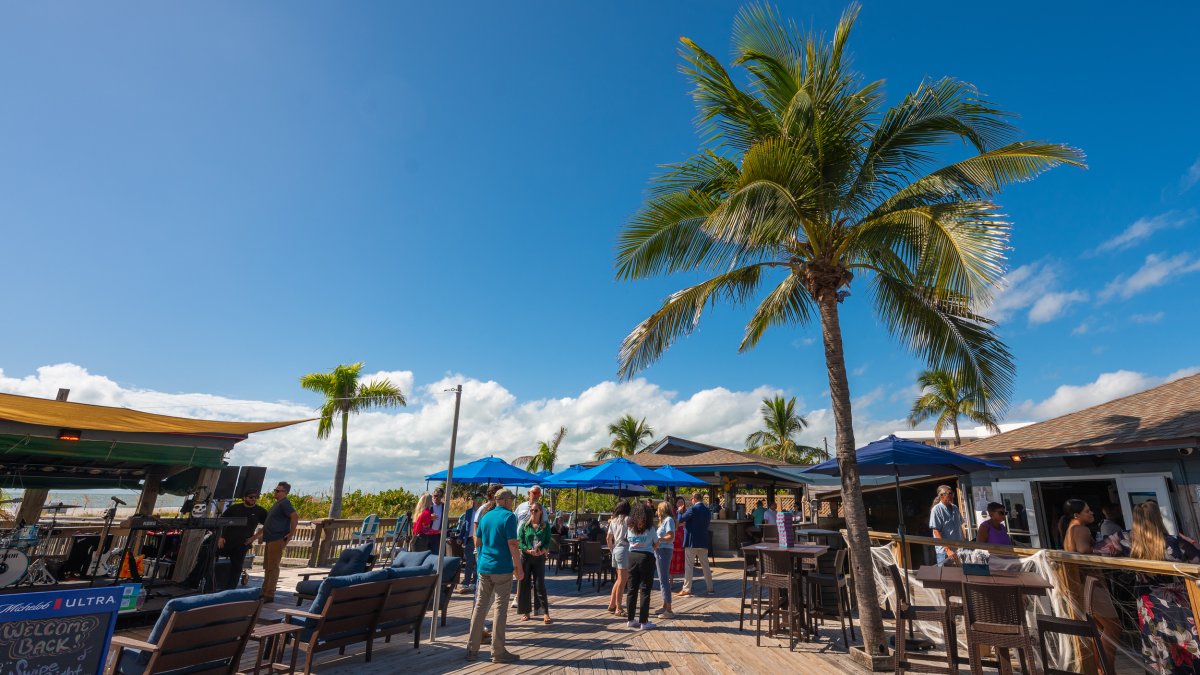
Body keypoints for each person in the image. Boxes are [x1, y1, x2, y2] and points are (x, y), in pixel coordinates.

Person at [1130, 500, 1200, 675]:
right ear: (1158, 518)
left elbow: (1095, 549)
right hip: (1174, 602)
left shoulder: (1128, 543)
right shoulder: (1174, 543)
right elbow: (1197, 559)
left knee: (1159, 645)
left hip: (1148, 605)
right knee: (1184, 643)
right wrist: (1192, 541)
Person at [466, 488, 524, 664]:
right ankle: (498, 651)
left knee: (480, 607)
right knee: (500, 609)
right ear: (505, 501)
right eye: (511, 500)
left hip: (484, 567)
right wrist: (518, 567)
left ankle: (472, 649)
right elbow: (512, 544)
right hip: (502, 568)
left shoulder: (485, 516)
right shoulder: (509, 517)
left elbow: (478, 542)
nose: (512, 503)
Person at [218, 491, 269, 590]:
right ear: (244, 498)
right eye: (251, 497)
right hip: (227, 541)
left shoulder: (260, 511)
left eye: (255, 497)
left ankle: (230, 589)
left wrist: (255, 537)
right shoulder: (234, 508)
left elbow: (268, 524)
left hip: (243, 543)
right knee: (207, 556)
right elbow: (221, 522)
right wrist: (220, 537)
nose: (253, 499)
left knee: (237, 566)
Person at [256, 481, 297, 603]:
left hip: (277, 538)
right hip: (270, 538)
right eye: (276, 490)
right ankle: (264, 591)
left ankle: (269, 593)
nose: (276, 492)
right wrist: (262, 535)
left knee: (273, 567)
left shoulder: (285, 503)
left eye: (279, 491)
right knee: (267, 566)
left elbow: (295, 516)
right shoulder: (278, 504)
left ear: (285, 492)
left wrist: (291, 533)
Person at [517, 501, 552, 624]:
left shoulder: (545, 526)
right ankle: (526, 612)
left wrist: (542, 551)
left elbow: (548, 541)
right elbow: (520, 541)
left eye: (536, 510)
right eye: (531, 510)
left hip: (539, 557)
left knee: (539, 584)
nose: (533, 512)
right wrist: (527, 550)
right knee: (524, 584)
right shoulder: (525, 526)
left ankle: (545, 612)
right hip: (526, 557)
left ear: (540, 512)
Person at [626, 502, 658, 629]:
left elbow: (627, 540)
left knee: (631, 589)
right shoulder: (650, 529)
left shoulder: (630, 528)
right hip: (646, 557)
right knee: (645, 589)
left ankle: (630, 619)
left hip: (632, 557)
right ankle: (644, 621)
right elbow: (656, 544)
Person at [678, 492, 713, 596]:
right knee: (706, 566)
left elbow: (680, 519)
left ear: (694, 499)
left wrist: (679, 511)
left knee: (689, 566)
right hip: (703, 541)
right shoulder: (707, 511)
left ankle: (686, 589)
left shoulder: (692, 509)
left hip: (691, 541)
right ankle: (710, 588)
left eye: (692, 499)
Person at [606, 500, 632, 614]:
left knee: (619, 578)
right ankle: (618, 607)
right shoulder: (628, 520)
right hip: (624, 548)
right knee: (623, 580)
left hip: (616, 548)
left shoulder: (613, 521)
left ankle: (612, 604)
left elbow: (608, 538)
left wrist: (612, 550)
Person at [928, 485, 964, 566]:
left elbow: (960, 527)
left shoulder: (955, 508)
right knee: (946, 577)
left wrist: (964, 543)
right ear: (941, 495)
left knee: (959, 576)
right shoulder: (936, 509)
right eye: (949, 493)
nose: (952, 496)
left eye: (952, 493)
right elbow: (936, 531)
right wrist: (947, 550)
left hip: (958, 550)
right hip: (944, 553)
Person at [654, 500, 676, 619]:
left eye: (658, 509)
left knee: (664, 580)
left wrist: (659, 540)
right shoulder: (664, 521)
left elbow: (670, 536)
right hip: (660, 551)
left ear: (662, 510)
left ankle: (669, 609)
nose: (656, 512)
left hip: (664, 551)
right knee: (662, 579)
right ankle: (664, 605)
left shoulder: (668, 520)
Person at [458, 493, 483, 593]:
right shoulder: (468, 512)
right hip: (469, 539)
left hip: (479, 539)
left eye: (481, 499)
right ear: (473, 500)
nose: (479, 501)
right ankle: (466, 582)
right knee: (469, 562)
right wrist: (460, 537)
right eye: (478, 499)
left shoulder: (484, 512)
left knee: (477, 562)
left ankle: (474, 582)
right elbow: (465, 525)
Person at [670, 496, 686, 577]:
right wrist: (681, 524)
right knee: (674, 558)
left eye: (682, 502)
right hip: (676, 537)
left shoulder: (686, 512)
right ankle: (671, 581)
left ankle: (685, 582)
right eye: (679, 502)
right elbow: (674, 525)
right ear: (676, 504)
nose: (681, 503)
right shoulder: (674, 512)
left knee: (684, 558)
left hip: (684, 536)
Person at [429, 487, 446, 553]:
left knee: (436, 553)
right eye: (435, 495)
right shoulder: (429, 505)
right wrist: (429, 517)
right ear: (432, 495)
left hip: (438, 534)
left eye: (440, 496)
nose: (437, 497)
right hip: (428, 533)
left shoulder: (444, 506)